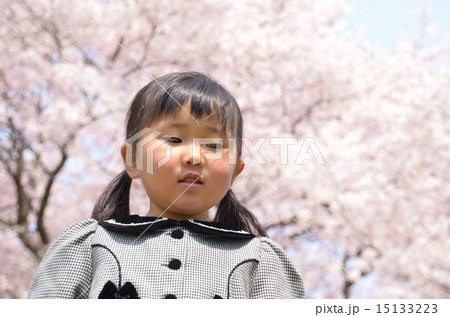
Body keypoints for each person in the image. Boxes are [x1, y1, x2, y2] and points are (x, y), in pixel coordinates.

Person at [28, 72, 305, 299]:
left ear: (235, 172)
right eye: (173, 140)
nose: (195, 157)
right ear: (133, 159)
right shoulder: (88, 245)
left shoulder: (260, 261)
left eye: (213, 145)